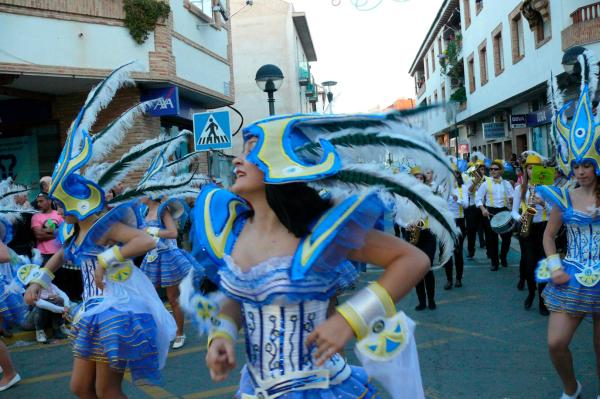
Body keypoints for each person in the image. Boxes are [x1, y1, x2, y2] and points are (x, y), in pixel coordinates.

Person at [189, 112, 458, 398]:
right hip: (254, 389)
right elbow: (236, 296)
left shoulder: (320, 229)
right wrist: (222, 335)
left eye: (252, 149)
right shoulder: (234, 231)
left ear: (280, 161)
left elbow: (412, 260)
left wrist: (349, 319)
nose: (237, 160)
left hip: (319, 387)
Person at [24, 63, 177, 398]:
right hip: (92, 309)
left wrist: (108, 259)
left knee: (107, 390)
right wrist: (39, 280)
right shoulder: (72, 231)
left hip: (118, 309)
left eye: (61, 205)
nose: (56, 211)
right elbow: (62, 255)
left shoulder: (106, 226)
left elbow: (144, 239)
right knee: (81, 388)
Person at [535, 60, 600, 399]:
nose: (581, 170)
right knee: (556, 343)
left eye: (587, 164)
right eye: (577, 164)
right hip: (571, 273)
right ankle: (571, 388)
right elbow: (548, 236)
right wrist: (556, 265)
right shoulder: (561, 195)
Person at [140, 197, 194, 349]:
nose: (139, 195)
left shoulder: (162, 209)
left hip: (167, 257)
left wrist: (151, 230)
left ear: (150, 193)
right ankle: (162, 330)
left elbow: (173, 233)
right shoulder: (144, 211)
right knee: (148, 298)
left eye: (142, 191)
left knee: (172, 298)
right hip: (151, 257)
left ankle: (180, 333)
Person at [511, 152, 551, 315]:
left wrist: (542, 203)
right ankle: (531, 292)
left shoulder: (548, 188)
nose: (532, 170)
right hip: (527, 225)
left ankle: (542, 300)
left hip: (543, 227)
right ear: (525, 170)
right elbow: (513, 211)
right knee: (529, 265)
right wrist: (520, 217)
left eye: (535, 167)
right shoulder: (520, 189)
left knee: (542, 265)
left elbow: (555, 212)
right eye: (529, 168)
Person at [396, 167, 437, 310]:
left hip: (427, 233)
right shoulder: (404, 197)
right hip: (412, 233)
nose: (419, 180)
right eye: (416, 178)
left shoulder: (428, 193)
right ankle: (422, 301)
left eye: (421, 178)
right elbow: (399, 218)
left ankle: (431, 299)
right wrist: (408, 225)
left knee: (427, 267)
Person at [476, 159, 514, 271]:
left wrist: (511, 200)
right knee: (491, 239)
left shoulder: (506, 184)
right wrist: (483, 209)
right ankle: (494, 262)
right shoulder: (485, 184)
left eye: (495, 169)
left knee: (507, 238)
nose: (492, 171)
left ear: (501, 171)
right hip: (490, 212)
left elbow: (512, 197)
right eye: (491, 169)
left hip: (504, 211)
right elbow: (478, 199)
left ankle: (503, 256)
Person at [19, 264, 71, 343]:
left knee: (59, 300)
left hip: (46, 319)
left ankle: (58, 329)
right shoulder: (31, 291)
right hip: (30, 322)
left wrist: (67, 305)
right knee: (41, 308)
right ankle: (39, 332)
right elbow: (42, 304)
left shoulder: (49, 285)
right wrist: (63, 309)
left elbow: (63, 294)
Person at [444, 165, 469, 289]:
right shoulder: (442, 187)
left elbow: (466, 205)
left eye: (455, 173)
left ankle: (458, 278)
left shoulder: (462, 188)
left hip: (459, 221)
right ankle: (449, 279)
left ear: (458, 175)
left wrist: (457, 199)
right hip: (446, 222)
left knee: (458, 251)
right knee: (446, 251)